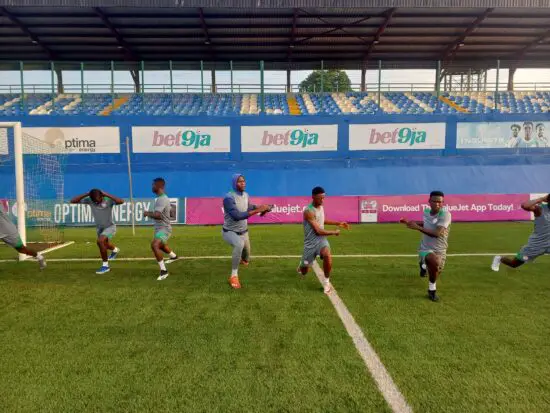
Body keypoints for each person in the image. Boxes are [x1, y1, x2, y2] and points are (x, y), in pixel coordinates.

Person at [222, 174, 272, 289]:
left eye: (244, 181)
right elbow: (237, 216)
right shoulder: (228, 198)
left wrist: (263, 208)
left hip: (244, 232)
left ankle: (243, 260)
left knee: (246, 257)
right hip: (229, 231)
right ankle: (233, 276)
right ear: (234, 183)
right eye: (240, 181)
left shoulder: (246, 195)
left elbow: (249, 207)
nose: (243, 183)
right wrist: (258, 210)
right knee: (239, 244)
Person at [400, 191, 451, 302]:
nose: (437, 204)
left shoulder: (445, 215)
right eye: (434, 201)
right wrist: (411, 223)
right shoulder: (426, 211)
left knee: (436, 270)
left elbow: (437, 234)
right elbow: (426, 223)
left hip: (440, 249)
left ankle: (423, 266)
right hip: (425, 248)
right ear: (429, 201)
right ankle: (432, 290)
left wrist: (417, 227)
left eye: (440, 202)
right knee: (433, 261)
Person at [297, 186, 350, 294]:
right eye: (320, 198)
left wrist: (338, 223)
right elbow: (318, 231)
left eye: (324, 198)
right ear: (313, 197)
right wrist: (334, 232)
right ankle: (302, 264)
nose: (322, 200)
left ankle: (326, 282)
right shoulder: (308, 211)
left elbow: (322, 220)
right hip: (310, 244)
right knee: (304, 271)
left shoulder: (321, 207)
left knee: (327, 255)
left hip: (321, 241)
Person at [491, 194, 550, 271]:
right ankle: (499, 258)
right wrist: (541, 199)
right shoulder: (540, 209)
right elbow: (524, 206)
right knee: (514, 264)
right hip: (536, 245)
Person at [71, 189, 124, 274]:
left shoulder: (108, 201)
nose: (96, 203)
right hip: (99, 228)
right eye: (94, 201)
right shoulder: (89, 200)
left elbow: (121, 201)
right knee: (105, 244)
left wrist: (106, 194)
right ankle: (115, 250)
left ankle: (105, 266)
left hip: (110, 227)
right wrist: (86, 193)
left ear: (102, 196)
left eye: (98, 200)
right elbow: (73, 201)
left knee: (100, 241)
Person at [144, 178, 178, 281]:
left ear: (158, 186)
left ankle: (164, 271)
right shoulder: (161, 198)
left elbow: (158, 215)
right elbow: (164, 214)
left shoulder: (162, 199)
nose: (152, 187)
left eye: (153, 185)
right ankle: (173, 256)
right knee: (161, 245)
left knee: (155, 245)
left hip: (164, 229)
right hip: (160, 228)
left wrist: (147, 213)